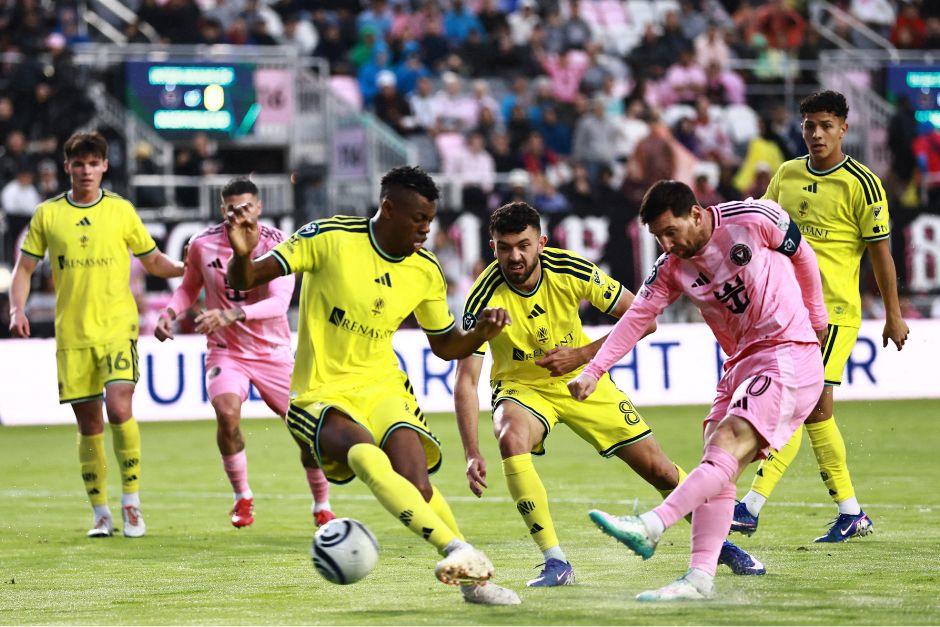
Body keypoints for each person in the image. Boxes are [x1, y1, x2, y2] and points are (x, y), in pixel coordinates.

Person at [224, 166, 519, 605]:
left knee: (417, 485)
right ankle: (457, 551)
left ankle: (473, 584)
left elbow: (444, 346)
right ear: (388, 208)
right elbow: (243, 280)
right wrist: (243, 255)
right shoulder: (329, 237)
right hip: (319, 391)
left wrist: (480, 335)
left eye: (430, 218)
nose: (426, 227)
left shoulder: (425, 270)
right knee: (365, 456)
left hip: (383, 389)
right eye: (418, 217)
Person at [454, 201, 765, 587]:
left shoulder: (571, 269)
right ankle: (556, 562)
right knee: (510, 437)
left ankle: (720, 545)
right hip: (522, 388)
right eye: (504, 247)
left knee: (660, 470)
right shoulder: (482, 297)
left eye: (523, 245)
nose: (514, 256)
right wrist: (470, 452)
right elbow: (466, 380)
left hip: (582, 378)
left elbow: (645, 320)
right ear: (492, 246)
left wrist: (582, 356)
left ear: (542, 244)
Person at [568, 180, 828, 601]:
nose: (667, 244)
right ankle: (699, 578)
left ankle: (651, 525)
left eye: (671, 232)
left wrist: (817, 319)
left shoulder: (752, 219)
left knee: (727, 442)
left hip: (786, 352)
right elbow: (637, 317)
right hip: (740, 363)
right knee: (717, 464)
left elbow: (803, 255)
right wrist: (594, 371)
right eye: (658, 237)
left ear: (695, 212)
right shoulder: (671, 266)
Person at [732, 90, 909, 543]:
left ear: (844, 128)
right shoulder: (787, 175)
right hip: (784, 313)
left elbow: (882, 256)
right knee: (813, 410)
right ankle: (851, 512)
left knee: (803, 405)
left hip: (832, 315)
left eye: (826, 125)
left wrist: (894, 314)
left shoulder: (863, 184)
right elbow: (760, 225)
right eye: (809, 125)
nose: (816, 134)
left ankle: (751, 507)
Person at [8, 131, 184, 538]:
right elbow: (25, 269)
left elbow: (153, 260)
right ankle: (101, 512)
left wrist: (187, 266)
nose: (86, 170)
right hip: (73, 333)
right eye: (79, 164)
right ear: (67, 167)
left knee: (120, 407)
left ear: (104, 166)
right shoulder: (48, 215)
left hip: (117, 328)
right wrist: (18, 307)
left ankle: (132, 503)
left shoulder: (121, 211)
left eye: (93, 163)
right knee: (90, 426)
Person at [154, 177, 335, 529]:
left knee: (307, 432)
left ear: (259, 207)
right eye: (233, 209)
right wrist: (169, 314)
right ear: (223, 210)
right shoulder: (202, 245)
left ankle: (322, 503)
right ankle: (242, 497)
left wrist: (231, 313)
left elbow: (279, 303)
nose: (240, 214)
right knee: (226, 413)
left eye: (246, 208)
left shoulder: (279, 244)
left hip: (273, 352)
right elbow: (189, 288)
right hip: (227, 351)